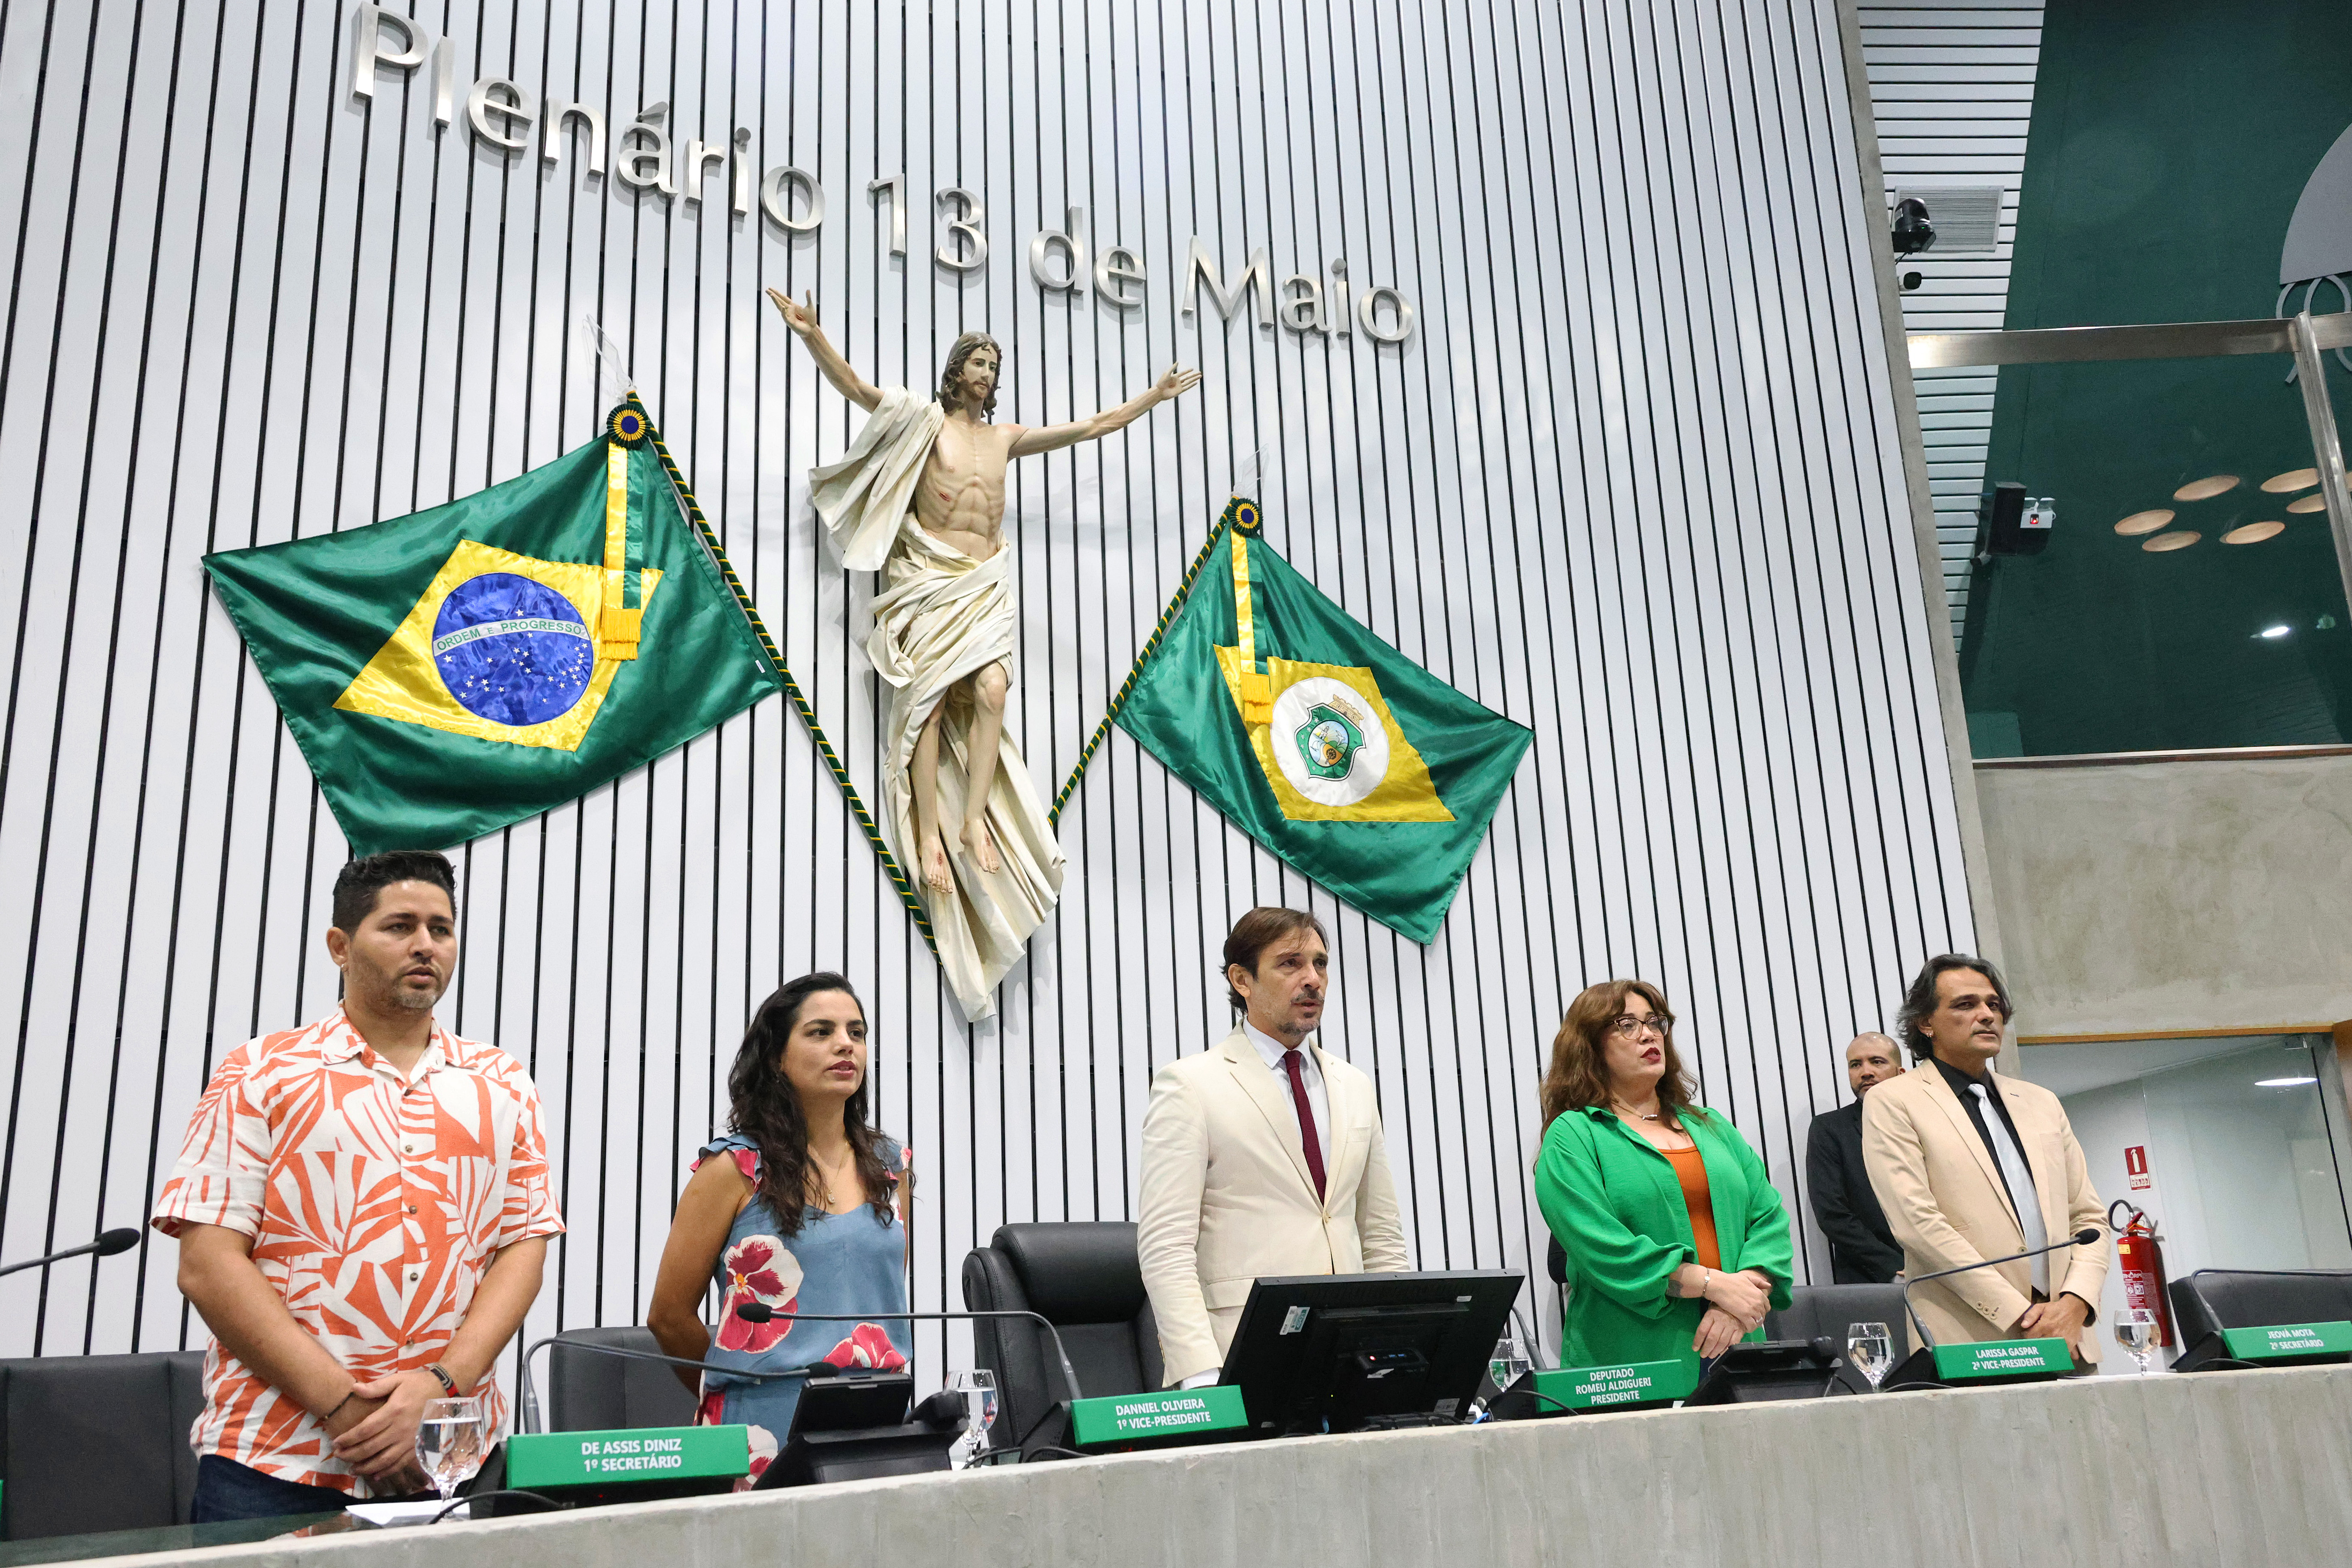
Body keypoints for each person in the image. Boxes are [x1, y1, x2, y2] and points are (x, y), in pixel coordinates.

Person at [771, 288, 1201, 1019]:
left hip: (981, 580)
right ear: (954, 369)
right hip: (928, 576)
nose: (986, 368)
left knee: (994, 691)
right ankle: (933, 831)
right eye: (977, 358)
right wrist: (814, 334)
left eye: (993, 361)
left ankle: (972, 821)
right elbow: (854, 389)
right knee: (930, 701)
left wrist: (1153, 397)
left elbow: (1091, 427)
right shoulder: (922, 421)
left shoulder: (1004, 439)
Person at [153, 851, 562, 1521]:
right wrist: (347, 1407)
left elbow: (523, 1247)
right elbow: (207, 1263)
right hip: (277, 1458)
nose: (425, 944)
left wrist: (438, 1386)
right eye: (399, 925)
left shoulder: (501, 1081)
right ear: (340, 946)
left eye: (441, 927)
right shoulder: (261, 1072)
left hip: (455, 1453)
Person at [648, 974, 913, 1487]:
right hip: (762, 1428)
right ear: (776, 1058)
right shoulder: (733, 1168)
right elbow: (668, 1315)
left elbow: (877, 1298)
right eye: (820, 1031)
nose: (846, 1044)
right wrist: (739, 1382)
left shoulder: (891, 1167)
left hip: (875, 1426)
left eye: (857, 1032)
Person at [1136, 908, 1410, 1387]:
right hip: (1241, 1357)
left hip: (1352, 1358)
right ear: (1242, 979)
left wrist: (1395, 1341)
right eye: (1290, 964)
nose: (1313, 980)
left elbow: (1381, 1233)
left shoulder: (1353, 1085)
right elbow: (1166, 1246)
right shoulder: (1191, 1084)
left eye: (1321, 964)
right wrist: (1201, 1374)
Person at [1533, 980, 1794, 1381]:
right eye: (1626, 1024)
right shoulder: (1574, 1134)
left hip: (1734, 1340)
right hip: (1632, 1356)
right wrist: (1710, 1284)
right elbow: (1604, 1248)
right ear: (1589, 1044)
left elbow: (1768, 1217)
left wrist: (1735, 1301)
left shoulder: (1710, 1125)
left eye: (1655, 1021)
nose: (1649, 1033)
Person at [1861, 953, 2107, 1363]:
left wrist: (2076, 1302)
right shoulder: (1893, 1101)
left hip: (2068, 1334)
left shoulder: (2041, 1102)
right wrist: (2021, 1312)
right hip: (1970, 1336)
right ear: (1925, 1022)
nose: (1987, 1015)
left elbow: (2089, 1219)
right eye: (1966, 1004)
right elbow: (1918, 1223)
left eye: (1994, 1005)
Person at [1804, 1033, 1908, 1283]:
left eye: (1877, 1062)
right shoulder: (1829, 1129)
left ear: (1901, 1072)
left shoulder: (1928, 1122)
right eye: (1856, 1065)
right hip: (1871, 1279)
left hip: (1945, 1271)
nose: (1866, 1072)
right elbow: (1833, 1214)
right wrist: (1893, 1269)